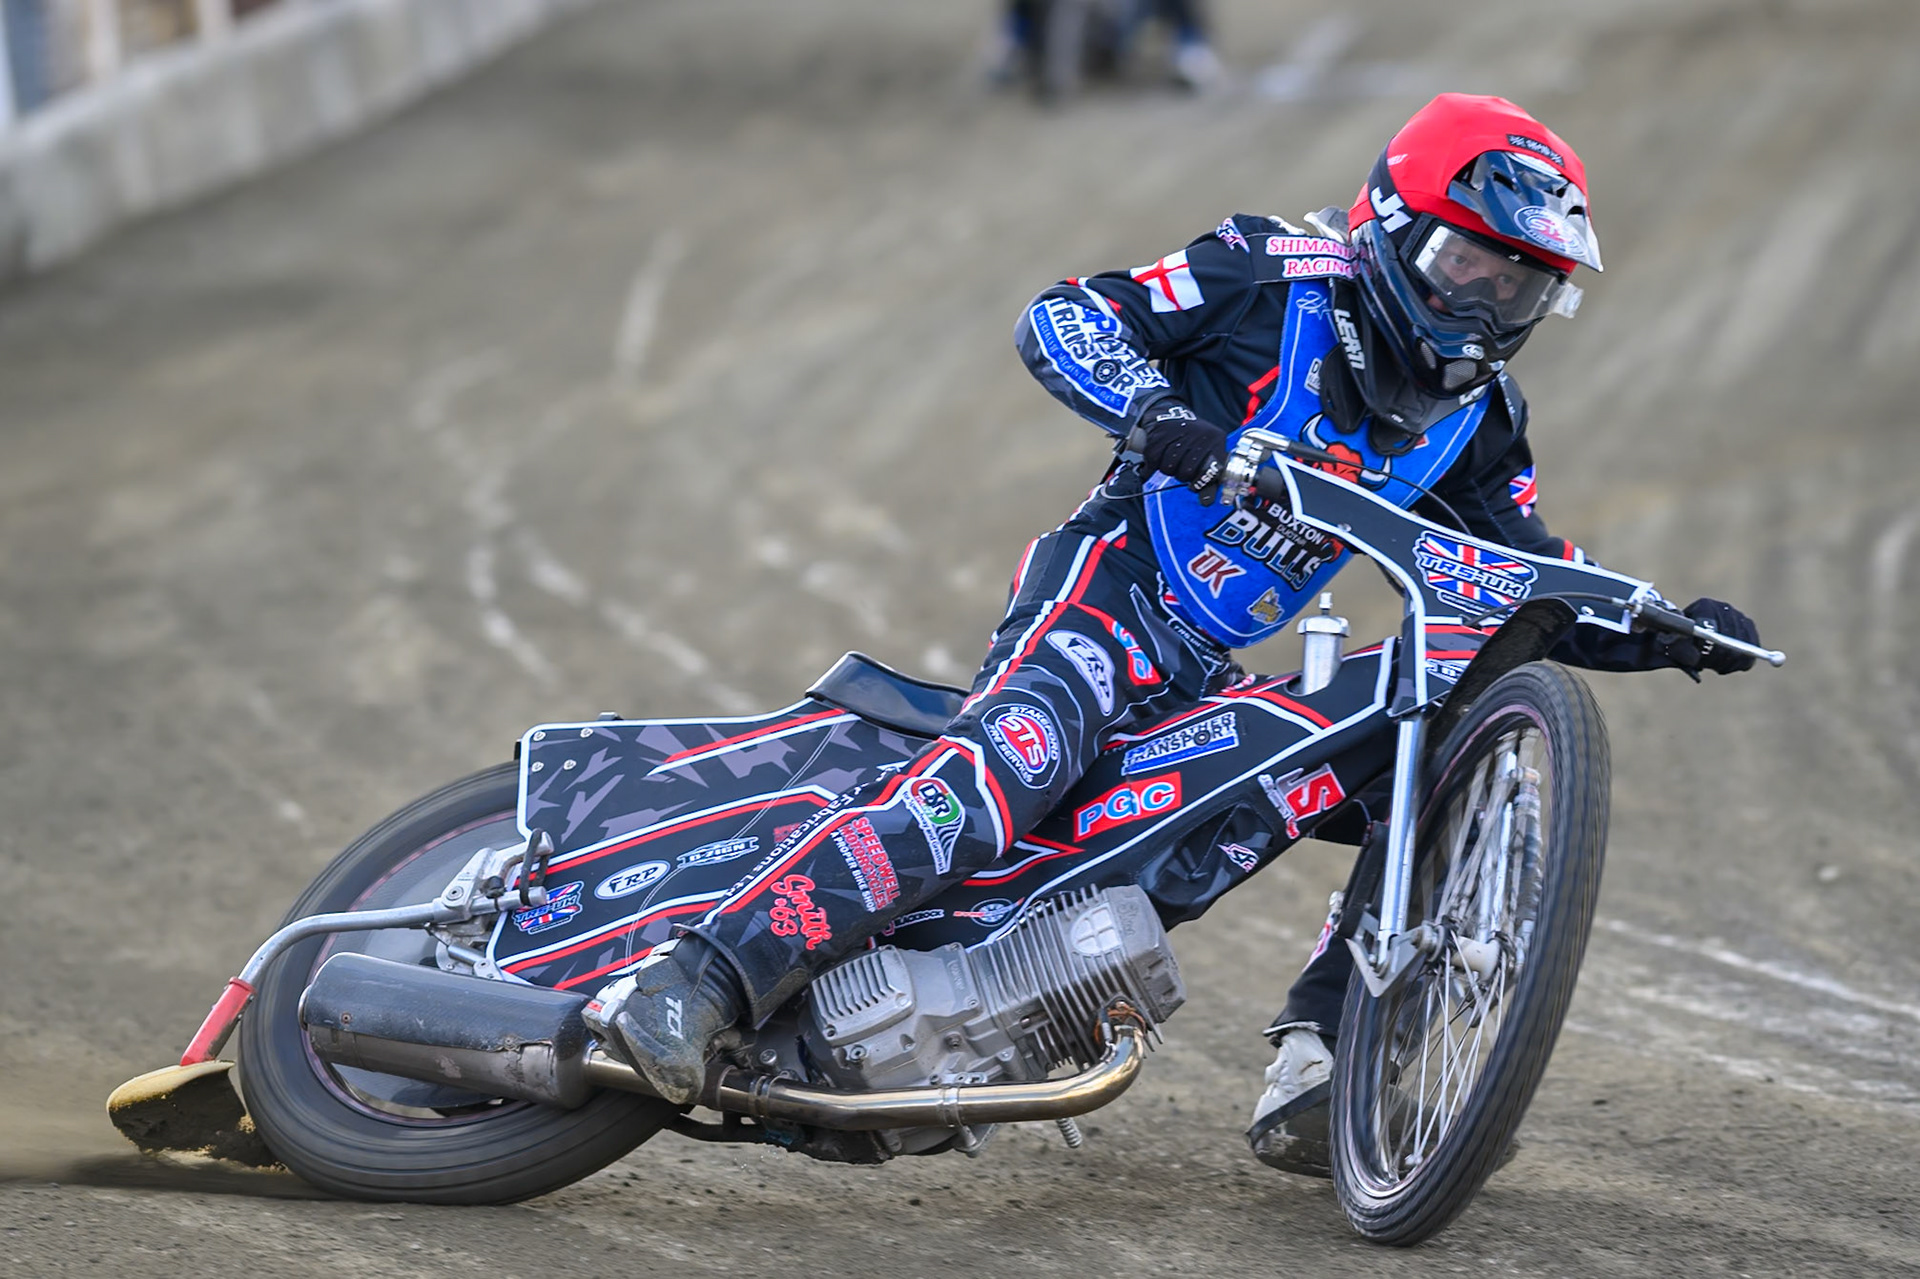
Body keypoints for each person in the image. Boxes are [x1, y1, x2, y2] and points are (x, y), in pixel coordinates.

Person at [584, 97, 1763, 1171]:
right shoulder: (1269, 275)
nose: (1483, 307)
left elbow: (1520, 577)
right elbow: (1063, 318)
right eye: (1466, 263)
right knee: (1007, 775)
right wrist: (1163, 422)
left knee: (1419, 755)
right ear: (1393, 228)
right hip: (1105, 600)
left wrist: (1664, 625)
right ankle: (698, 977)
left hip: (1200, 669)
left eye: (1519, 288)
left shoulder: (1482, 422)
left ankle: (1323, 1054)